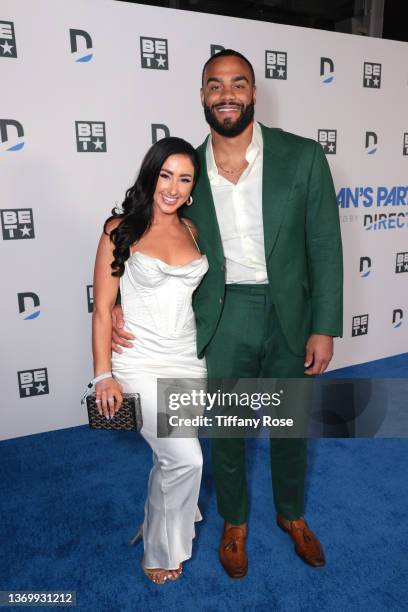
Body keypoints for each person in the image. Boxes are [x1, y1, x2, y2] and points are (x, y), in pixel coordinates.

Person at [112, 49, 343, 578]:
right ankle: (233, 521)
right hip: (223, 312)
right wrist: (121, 306)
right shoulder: (185, 171)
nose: (227, 94)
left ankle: (292, 515)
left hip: (290, 310)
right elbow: (139, 234)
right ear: (202, 96)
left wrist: (324, 325)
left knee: (287, 423)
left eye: (238, 84)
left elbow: (326, 246)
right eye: (215, 86)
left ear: (254, 93)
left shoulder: (302, 157)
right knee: (229, 426)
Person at [92, 137, 208, 584]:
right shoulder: (119, 228)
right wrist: (104, 373)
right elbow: (103, 308)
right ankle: (163, 551)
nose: (173, 187)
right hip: (138, 361)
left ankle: (154, 522)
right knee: (187, 459)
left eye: (184, 178)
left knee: (169, 458)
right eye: (165, 175)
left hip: (187, 360)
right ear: (150, 175)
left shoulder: (194, 231)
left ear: (193, 186)